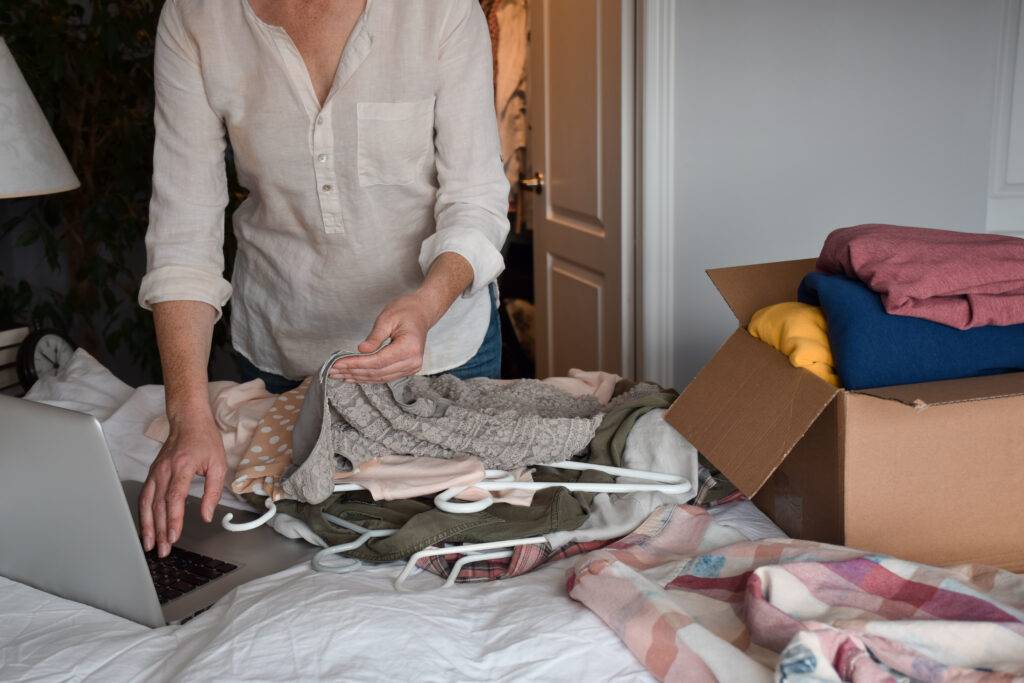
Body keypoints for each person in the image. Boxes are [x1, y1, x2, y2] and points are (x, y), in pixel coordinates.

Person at [136, 0, 510, 557]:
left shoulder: (442, 11)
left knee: (456, 554)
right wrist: (187, 415)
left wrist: (428, 304)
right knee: (303, 559)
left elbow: (475, 198)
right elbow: (183, 231)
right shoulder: (196, 17)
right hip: (285, 351)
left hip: (442, 343)